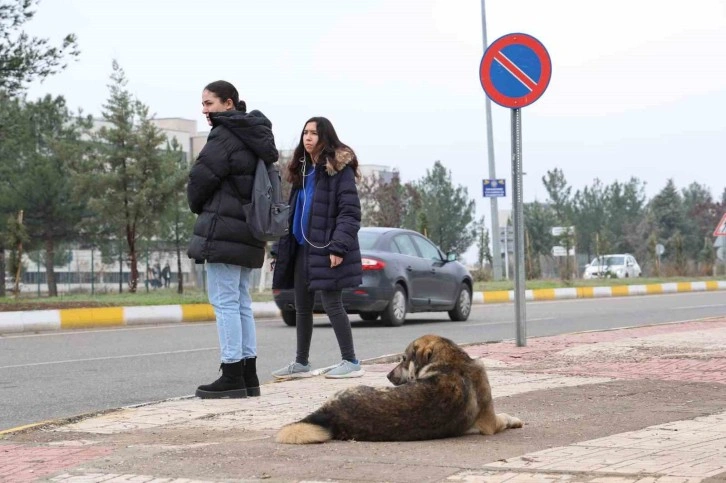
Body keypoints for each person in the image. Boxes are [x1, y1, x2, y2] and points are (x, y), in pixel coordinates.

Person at [187, 80, 278, 398]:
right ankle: (248, 375)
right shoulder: (257, 135)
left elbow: (200, 177)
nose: (204, 110)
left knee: (226, 303)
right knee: (240, 303)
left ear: (229, 104)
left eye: (209, 103)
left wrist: (197, 205)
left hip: (224, 230)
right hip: (250, 231)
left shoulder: (225, 134)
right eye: (203, 104)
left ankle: (231, 374)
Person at [271, 116, 364, 380]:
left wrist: (338, 248)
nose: (308, 137)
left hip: (326, 247)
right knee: (302, 306)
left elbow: (350, 213)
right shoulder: (302, 170)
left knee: (333, 303)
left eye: (314, 133)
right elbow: (291, 214)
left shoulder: (337, 169)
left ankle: (351, 361)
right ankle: (301, 363)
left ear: (325, 137)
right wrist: (279, 250)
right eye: (305, 133)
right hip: (301, 247)